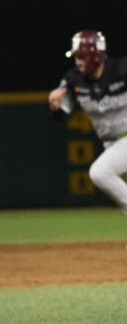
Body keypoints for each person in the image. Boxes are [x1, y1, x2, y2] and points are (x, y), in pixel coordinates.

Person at [48, 30, 127, 211]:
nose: (78, 61)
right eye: (76, 56)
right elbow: (61, 116)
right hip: (112, 145)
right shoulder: (73, 80)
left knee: (100, 173)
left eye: (82, 56)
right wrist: (55, 107)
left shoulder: (121, 70)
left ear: (97, 56)